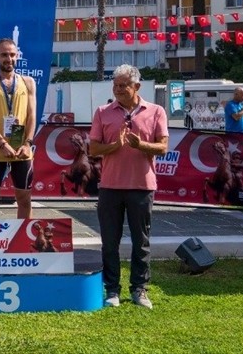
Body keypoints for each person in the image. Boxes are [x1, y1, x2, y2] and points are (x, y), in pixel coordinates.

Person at [88, 64, 168, 309]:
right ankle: (112, 289)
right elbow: (93, 149)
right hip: (110, 187)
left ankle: (139, 289)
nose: (119, 89)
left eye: (123, 85)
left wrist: (141, 145)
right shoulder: (103, 111)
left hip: (142, 187)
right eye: (116, 85)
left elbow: (163, 147)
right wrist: (114, 146)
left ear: (137, 86)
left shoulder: (156, 111)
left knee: (140, 241)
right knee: (109, 242)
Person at [0, 39, 36, 219]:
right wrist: (2, 144)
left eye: (12, 54)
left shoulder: (28, 82)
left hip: (21, 149)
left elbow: (32, 116)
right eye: (4, 55)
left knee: (24, 198)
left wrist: (27, 143)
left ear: (17, 56)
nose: (8, 59)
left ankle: (24, 241)